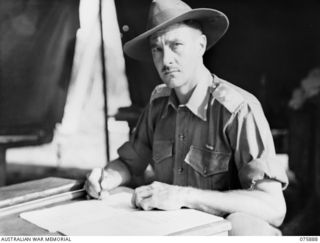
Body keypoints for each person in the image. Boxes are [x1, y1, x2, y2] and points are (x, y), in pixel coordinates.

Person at [85, 0, 288, 235]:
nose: (166, 60)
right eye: (157, 49)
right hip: (176, 232)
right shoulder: (157, 104)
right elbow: (129, 164)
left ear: (201, 45)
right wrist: (106, 178)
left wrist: (183, 196)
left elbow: (273, 207)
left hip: (222, 235)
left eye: (176, 45)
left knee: (245, 227)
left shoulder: (238, 110)